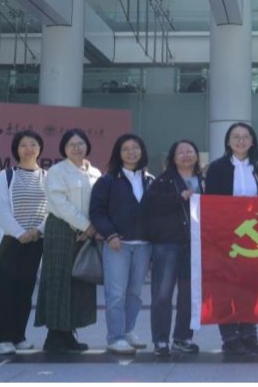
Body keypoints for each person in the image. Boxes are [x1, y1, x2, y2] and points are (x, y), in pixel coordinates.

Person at [204, 122, 258, 355]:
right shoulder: (217, 168)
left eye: (245, 137)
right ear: (228, 141)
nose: (241, 141)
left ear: (252, 141)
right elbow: (211, 202)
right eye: (236, 136)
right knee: (225, 287)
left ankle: (249, 334)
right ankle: (229, 336)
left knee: (250, 287)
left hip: (253, 238)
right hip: (225, 237)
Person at [35, 129, 102, 353]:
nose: (76, 148)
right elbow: (60, 203)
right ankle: (54, 336)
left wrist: (92, 228)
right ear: (64, 148)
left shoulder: (95, 172)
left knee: (79, 282)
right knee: (58, 281)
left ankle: (69, 333)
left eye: (80, 143)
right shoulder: (57, 171)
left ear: (87, 146)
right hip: (62, 230)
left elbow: (99, 203)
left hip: (87, 232)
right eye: (71, 144)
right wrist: (85, 226)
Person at [89, 133, 154, 355]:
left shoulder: (150, 180)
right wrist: (110, 235)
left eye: (135, 148)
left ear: (142, 151)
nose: (131, 152)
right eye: (125, 149)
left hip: (144, 245)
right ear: (118, 153)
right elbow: (97, 212)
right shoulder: (107, 180)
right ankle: (115, 337)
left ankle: (127, 331)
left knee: (135, 293)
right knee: (116, 293)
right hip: (118, 245)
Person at [0, 130, 48, 355]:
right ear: (16, 149)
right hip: (10, 240)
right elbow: (1, 207)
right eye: (23, 145)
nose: (28, 148)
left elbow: (52, 209)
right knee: (4, 290)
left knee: (25, 290)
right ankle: (1, 338)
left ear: (40, 148)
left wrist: (38, 231)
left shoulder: (47, 176)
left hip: (36, 241)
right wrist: (20, 233)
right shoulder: (6, 175)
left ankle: (18, 335)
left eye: (33, 144)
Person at [144, 139, 203, 358]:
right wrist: (178, 197)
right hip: (167, 244)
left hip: (194, 245)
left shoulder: (202, 180)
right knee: (162, 294)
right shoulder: (164, 179)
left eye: (190, 151)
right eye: (181, 152)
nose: (186, 155)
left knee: (188, 294)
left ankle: (182, 338)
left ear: (197, 155)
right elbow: (151, 204)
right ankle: (160, 340)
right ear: (173, 158)